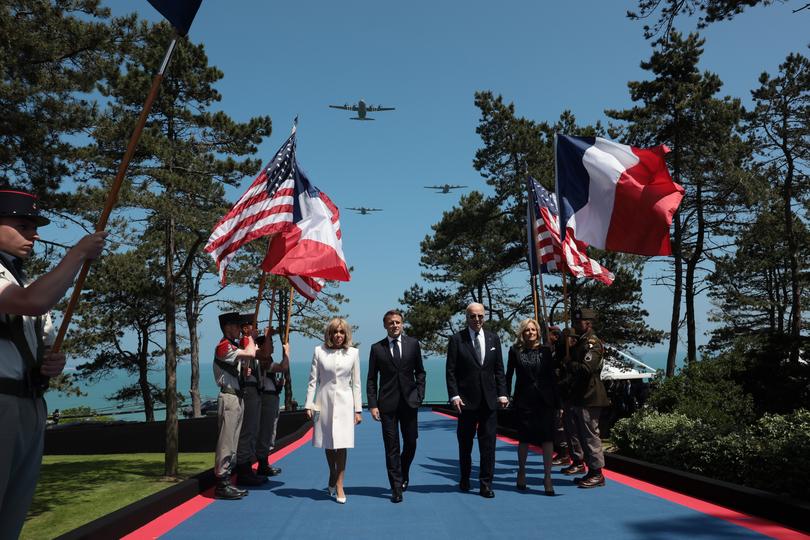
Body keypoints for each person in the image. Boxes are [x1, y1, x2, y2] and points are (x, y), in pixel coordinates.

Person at [0, 190, 106, 538]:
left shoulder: (15, 278)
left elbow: (30, 337)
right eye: (23, 225)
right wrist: (77, 254)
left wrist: (48, 363)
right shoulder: (16, 285)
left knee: (12, 514)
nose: (34, 234)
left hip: (28, 403)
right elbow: (32, 301)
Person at [445, 302, 508, 498]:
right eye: (473, 316)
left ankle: (486, 483)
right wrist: (454, 395)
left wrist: (502, 393)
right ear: (467, 317)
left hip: (489, 402)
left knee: (488, 444)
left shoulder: (493, 338)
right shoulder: (457, 340)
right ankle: (465, 477)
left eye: (480, 316)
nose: (477, 319)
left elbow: (499, 369)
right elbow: (451, 371)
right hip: (466, 402)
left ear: (485, 317)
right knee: (465, 444)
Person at [366, 309, 426, 503]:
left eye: (398, 322)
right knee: (391, 446)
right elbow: (371, 380)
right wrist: (373, 405)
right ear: (385, 325)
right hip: (387, 405)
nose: (395, 325)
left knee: (411, 443)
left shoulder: (413, 344)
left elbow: (421, 373)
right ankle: (396, 486)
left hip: (410, 403)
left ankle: (403, 470)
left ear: (402, 324)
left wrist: (419, 395)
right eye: (391, 322)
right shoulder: (377, 348)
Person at [304, 318, 362, 504]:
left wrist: (358, 410)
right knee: (328, 443)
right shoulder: (319, 351)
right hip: (324, 401)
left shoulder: (353, 353)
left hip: (345, 403)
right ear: (329, 333)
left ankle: (339, 484)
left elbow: (356, 384)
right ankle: (332, 472)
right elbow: (313, 381)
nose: (338, 335)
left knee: (342, 444)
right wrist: (308, 404)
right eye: (335, 332)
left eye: (342, 332)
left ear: (346, 334)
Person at [506, 318, 559, 495]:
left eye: (533, 330)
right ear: (522, 333)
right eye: (527, 330)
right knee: (524, 439)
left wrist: (558, 403)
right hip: (524, 400)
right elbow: (508, 375)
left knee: (547, 439)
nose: (530, 333)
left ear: (538, 332)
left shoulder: (546, 351)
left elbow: (552, 378)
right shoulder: (514, 351)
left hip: (545, 401)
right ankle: (522, 471)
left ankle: (548, 477)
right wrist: (505, 396)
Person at [561, 308, 609, 489]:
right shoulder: (581, 342)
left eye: (579, 322)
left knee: (590, 436)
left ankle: (597, 473)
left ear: (588, 323)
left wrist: (570, 363)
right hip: (580, 396)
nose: (575, 324)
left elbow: (586, 369)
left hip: (590, 395)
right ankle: (591, 470)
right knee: (582, 435)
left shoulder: (592, 343)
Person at [213, 311, 257, 500]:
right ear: (228, 327)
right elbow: (251, 353)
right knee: (226, 443)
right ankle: (221, 482)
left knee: (233, 442)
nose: (241, 329)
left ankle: (227, 479)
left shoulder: (230, 346)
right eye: (238, 326)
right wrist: (250, 338)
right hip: (229, 398)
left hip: (236, 397)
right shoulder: (223, 346)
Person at [233, 314, 268, 486]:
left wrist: (266, 337)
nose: (256, 328)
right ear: (245, 327)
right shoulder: (245, 342)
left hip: (254, 389)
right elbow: (250, 354)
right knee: (247, 430)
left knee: (252, 430)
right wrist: (252, 339)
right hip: (248, 389)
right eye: (252, 325)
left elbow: (265, 354)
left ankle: (247, 466)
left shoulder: (250, 342)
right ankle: (243, 469)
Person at [256, 331, 288, 477]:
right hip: (266, 399)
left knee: (271, 432)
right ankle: (262, 464)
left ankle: (265, 463)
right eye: (269, 343)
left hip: (272, 397)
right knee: (266, 432)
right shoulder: (262, 361)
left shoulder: (267, 359)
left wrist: (278, 385)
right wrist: (287, 353)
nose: (272, 346)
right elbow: (283, 367)